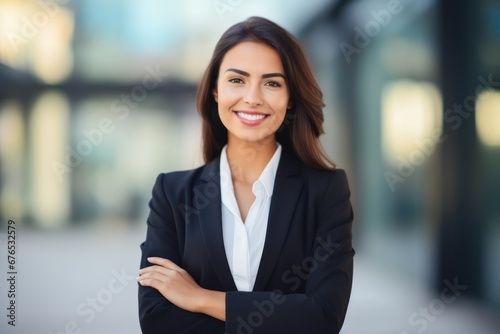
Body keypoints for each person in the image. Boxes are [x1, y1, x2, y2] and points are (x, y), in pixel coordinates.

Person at [137, 16, 354, 334]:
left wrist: (199, 298)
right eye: (237, 80)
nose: (253, 97)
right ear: (214, 90)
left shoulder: (325, 191)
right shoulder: (172, 192)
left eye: (272, 83)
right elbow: (156, 320)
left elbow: (322, 318)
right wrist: (280, 319)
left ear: (290, 97)